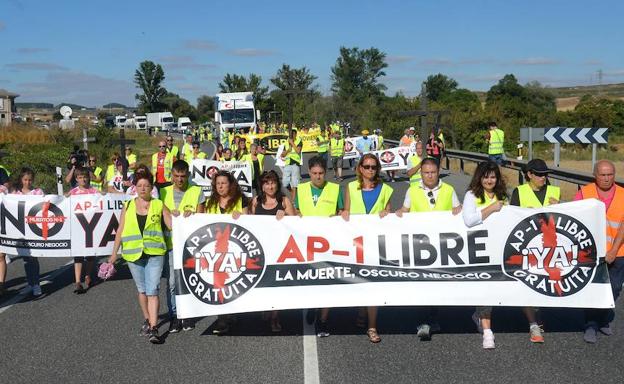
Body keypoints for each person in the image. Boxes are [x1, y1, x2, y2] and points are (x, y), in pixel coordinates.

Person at [396, 158, 462, 340]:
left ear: (438, 171)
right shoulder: (412, 190)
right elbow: (405, 210)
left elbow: (457, 210)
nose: (430, 176)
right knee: (422, 284)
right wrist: (399, 213)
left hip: (441, 246)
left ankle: (433, 317)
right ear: (421, 173)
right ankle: (424, 322)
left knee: (436, 283)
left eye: (433, 172)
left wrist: (458, 211)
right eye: (426, 172)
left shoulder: (448, 190)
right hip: (420, 246)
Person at [108, 172, 172, 344]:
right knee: (142, 290)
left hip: (155, 253)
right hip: (133, 253)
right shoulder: (128, 205)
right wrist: (114, 254)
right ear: (135, 188)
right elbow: (120, 230)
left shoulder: (159, 204)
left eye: (147, 185)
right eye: (140, 185)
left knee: (153, 290)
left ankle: (154, 327)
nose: (143, 188)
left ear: (152, 188)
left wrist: (185, 215)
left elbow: (172, 225)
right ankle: (147, 318)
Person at [341, 154, 393, 343]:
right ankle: (362, 309)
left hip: (375, 244)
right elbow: (346, 212)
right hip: (356, 243)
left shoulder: (386, 189)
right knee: (360, 281)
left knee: (373, 284)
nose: (370, 170)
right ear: (360, 168)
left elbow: (389, 213)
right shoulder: (351, 187)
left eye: (373, 167)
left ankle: (372, 325)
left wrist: (387, 213)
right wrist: (344, 213)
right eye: (367, 166)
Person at [509, 158, 560, 343]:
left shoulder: (555, 192)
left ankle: (538, 314)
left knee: (545, 282)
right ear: (529, 174)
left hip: (550, 247)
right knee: (528, 283)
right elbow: (511, 220)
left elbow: (568, 218)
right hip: (527, 247)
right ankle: (533, 324)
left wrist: (561, 206)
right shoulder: (519, 192)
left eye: (545, 174)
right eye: (539, 174)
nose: (543, 178)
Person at [575, 160, 624, 343]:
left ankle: (603, 318)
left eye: (610, 174)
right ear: (595, 175)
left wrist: (613, 250)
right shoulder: (584, 193)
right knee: (593, 289)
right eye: (602, 175)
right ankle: (591, 324)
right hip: (591, 253)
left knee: (615, 288)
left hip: (618, 252)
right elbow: (575, 218)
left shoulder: (623, 194)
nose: (606, 178)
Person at [295, 156, 344, 337]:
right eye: (314, 173)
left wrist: (341, 215)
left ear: (326, 173)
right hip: (306, 242)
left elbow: (341, 211)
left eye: (321, 173)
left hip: (329, 243)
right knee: (310, 279)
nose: (317, 177)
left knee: (328, 282)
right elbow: (297, 210)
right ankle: (311, 306)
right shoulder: (300, 189)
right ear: (309, 172)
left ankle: (323, 320)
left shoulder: (335, 189)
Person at [462, 161, 508, 349]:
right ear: (479, 178)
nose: (489, 180)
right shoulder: (471, 195)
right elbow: (469, 220)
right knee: (485, 288)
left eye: (493, 176)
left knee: (496, 289)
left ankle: (479, 316)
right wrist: (491, 208)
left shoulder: (503, 195)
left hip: (499, 248)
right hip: (479, 249)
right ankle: (488, 332)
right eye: (486, 176)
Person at [160, 160, 206, 333]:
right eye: (176, 176)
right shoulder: (162, 193)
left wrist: (192, 215)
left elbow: (202, 218)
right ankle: (175, 316)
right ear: (172, 175)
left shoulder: (196, 191)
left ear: (188, 175)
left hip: (191, 246)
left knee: (190, 281)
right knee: (172, 282)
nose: (179, 179)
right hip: (171, 245)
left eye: (183, 176)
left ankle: (188, 315)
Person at [251, 170, 296, 332]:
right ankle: (266, 307)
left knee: (276, 283)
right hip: (261, 250)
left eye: (273, 183)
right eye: (266, 183)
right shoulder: (256, 201)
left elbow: (297, 224)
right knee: (263, 282)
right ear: (262, 186)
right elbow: (248, 222)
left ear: (277, 184)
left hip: (280, 250)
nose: (270, 186)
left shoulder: (284, 201)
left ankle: (275, 316)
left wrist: (286, 215)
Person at [206, 170, 248, 334]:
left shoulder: (240, 200)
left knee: (234, 280)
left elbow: (248, 222)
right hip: (215, 250)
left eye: (224, 183)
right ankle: (222, 319)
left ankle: (232, 312)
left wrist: (242, 217)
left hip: (235, 249)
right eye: (218, 183)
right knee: (218, 282)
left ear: (230, 184)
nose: (221, 186)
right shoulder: (210, 203)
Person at [7, 168, 44, 297]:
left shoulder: (38, 192)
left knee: (33, 258)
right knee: (26, 258)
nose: (27, 182)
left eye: (29, 180)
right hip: (20, 230)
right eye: (25, 180)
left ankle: (36, 284)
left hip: (34, 230)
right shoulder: (15, 194)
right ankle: (30, 282)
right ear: (21, 180)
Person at [68, 166, 101, 294]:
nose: (83, 180)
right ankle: (77, 282)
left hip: (92, 227)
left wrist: (105, 195)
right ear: (76, 179)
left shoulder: (94, 191)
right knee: (78, 255)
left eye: (85, 177)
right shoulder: (73, 192)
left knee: (91, 254)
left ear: (88, 178)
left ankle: (88, 275)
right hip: (78, 227)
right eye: (80, 178)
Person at [281, 128, 303, 201]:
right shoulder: (286, 143)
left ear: (295, 135)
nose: (292, 136)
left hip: (295, 164)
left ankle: (293, 201)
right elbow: (282, 155)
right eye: (291, 135)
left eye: (293, 134)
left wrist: (292, 143)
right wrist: (288, 150)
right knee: (285, 183)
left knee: (294, 183)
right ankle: (292, 192)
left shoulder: (299, 141)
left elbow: (298, 151)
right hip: (287, 164)